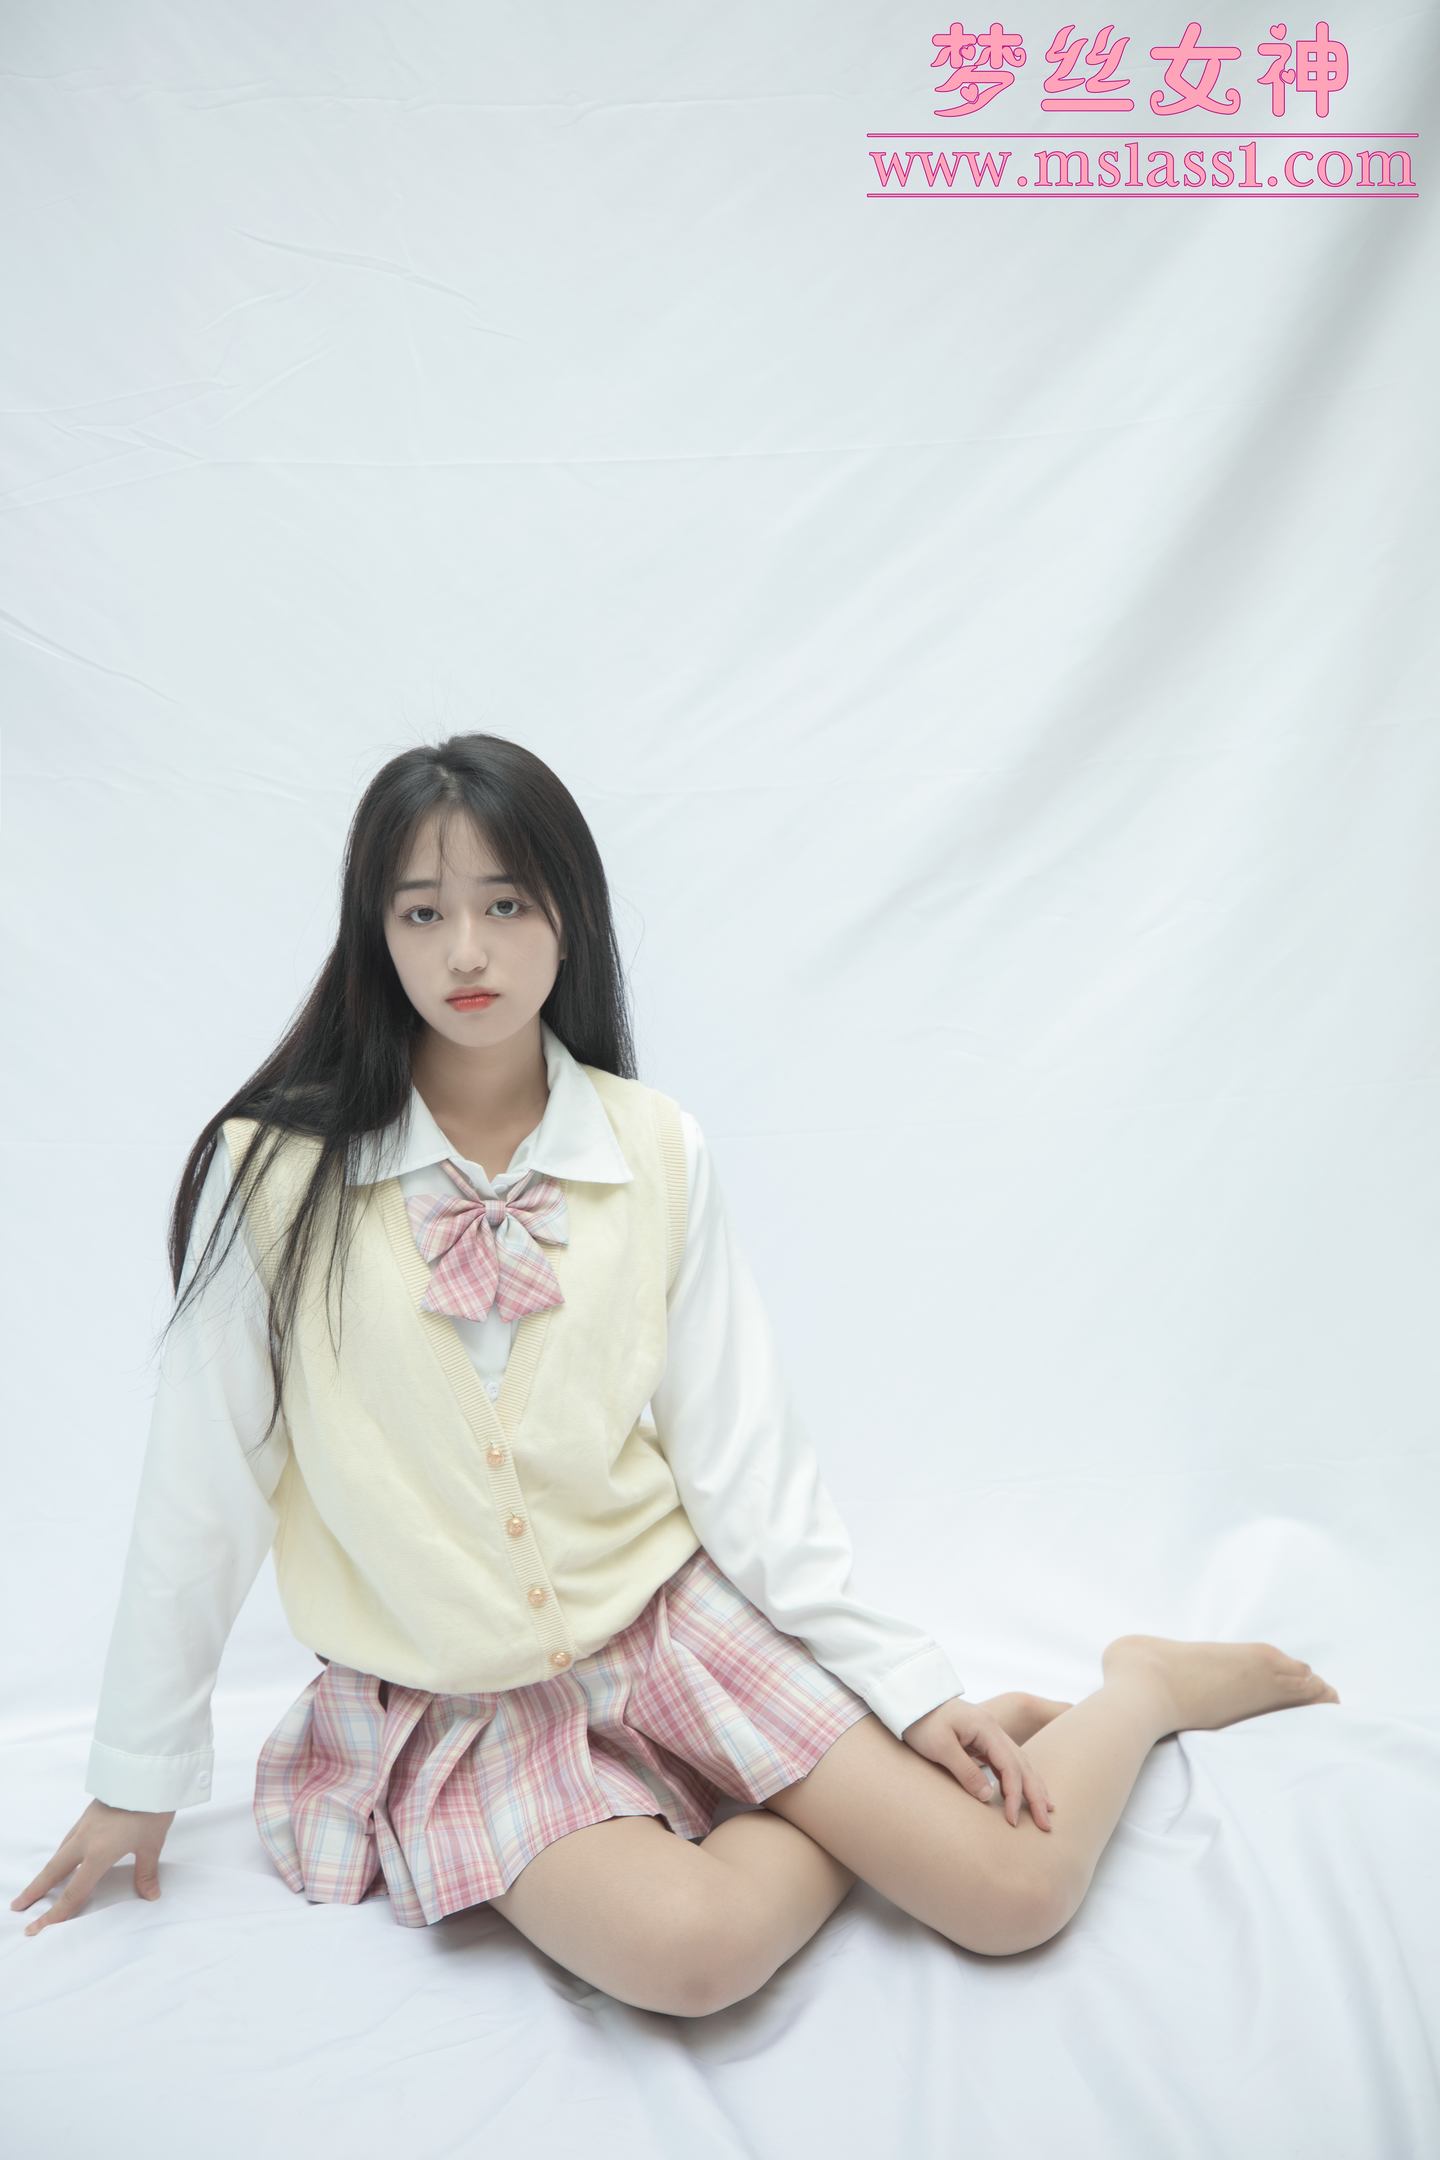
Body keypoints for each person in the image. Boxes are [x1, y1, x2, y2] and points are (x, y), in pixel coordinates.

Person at [11, 734, 1339, 2016]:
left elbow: (745, 1468)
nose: (465, 949)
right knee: (692, 1957)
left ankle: (1143, 1687)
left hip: (675, 1633)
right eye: (421, 912)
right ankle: (849, 1810)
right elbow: (201, 1491)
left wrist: (910, 1690)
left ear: (568, 917)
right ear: (376, 934)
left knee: (1013, 1897)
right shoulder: (273, 1176)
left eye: (504, 903)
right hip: (463, 1705)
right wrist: (138, 1773)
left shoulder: (654, 1148)